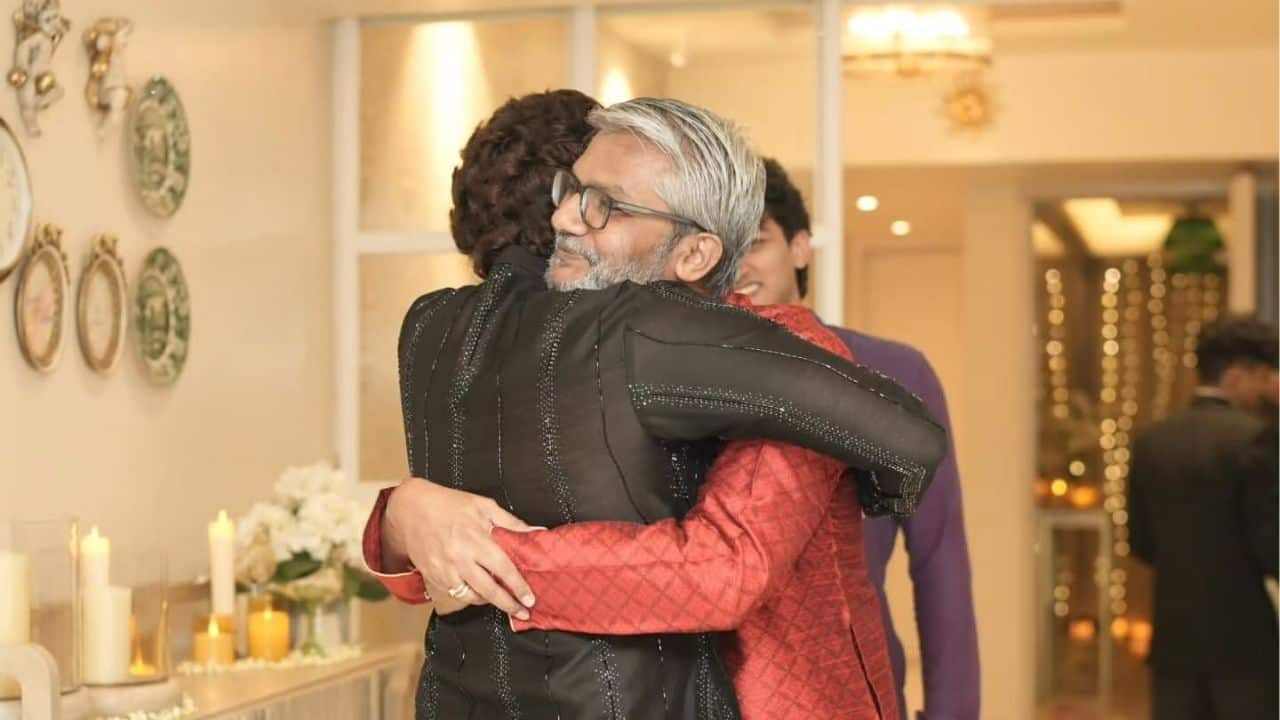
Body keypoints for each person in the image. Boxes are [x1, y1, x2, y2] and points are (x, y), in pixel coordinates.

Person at [364, 94, 946, 719]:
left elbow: (723, 571)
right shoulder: (578, 354)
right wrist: (405, 517)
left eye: (604, 204)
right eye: (570, 190)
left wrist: (480, 558)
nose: (562, 218)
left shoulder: (781, 355)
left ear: (694, 255)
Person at [730, 159, 980, 720]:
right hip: (723, 689)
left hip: (862, 685)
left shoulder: (892, 371)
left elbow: (939, 556)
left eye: (756, 242)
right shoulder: (685, 378)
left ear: (800, 247)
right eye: (721, 246)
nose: (737, 265)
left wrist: (953, 712)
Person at [1128, 315, 1279, 720]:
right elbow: (1271, 548)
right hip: (1244, 647)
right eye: (1264, 376)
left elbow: (1141, 542)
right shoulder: (1256, 438)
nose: (1269, 388)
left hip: (1174, 645)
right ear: (1237, 375)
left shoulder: (1151, 441)